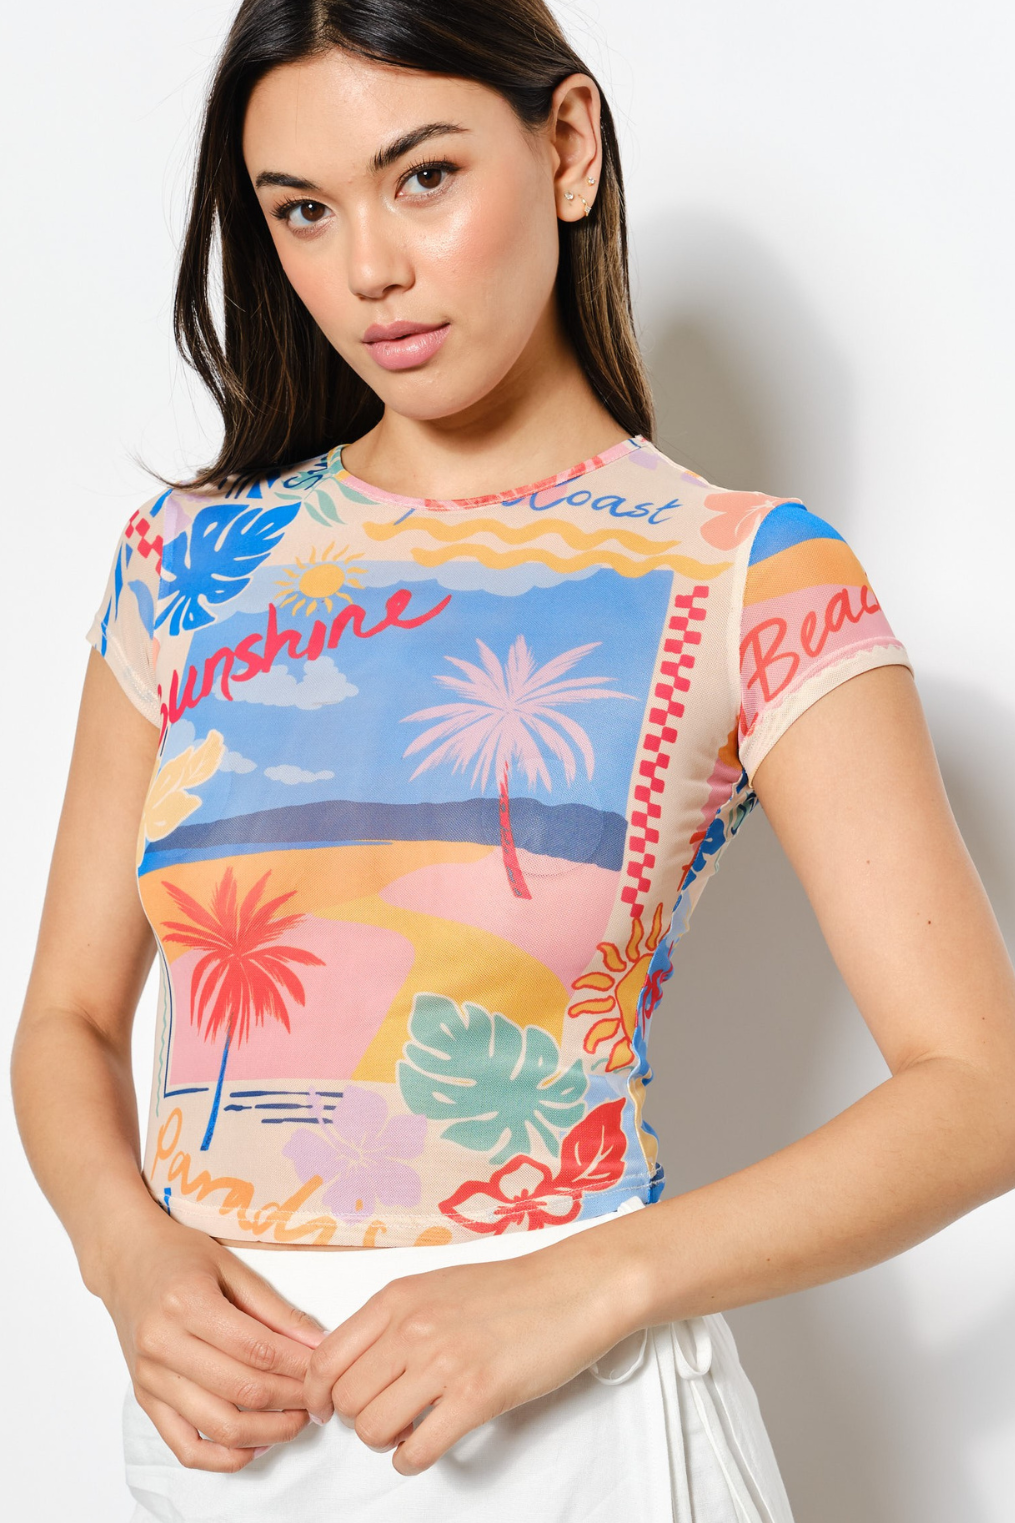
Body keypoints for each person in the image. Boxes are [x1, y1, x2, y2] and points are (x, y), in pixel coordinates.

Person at [12, 1, 1015, 1519]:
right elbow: (70, 1018)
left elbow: (980, 1088)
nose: (368, 269)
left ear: (567, 146)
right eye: (301, 210)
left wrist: (583, 1284)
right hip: (227, 1441)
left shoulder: (742, 575)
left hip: (570, 1429)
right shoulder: (187, 566)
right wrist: (126, 1253)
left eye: (422, 176)